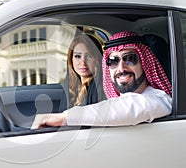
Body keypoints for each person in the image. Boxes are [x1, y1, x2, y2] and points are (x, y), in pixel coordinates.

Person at [31, 31, 172, 129]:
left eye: (130, 59)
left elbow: (129, 107)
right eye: (113, 61)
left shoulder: (159, 99)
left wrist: (64, 118)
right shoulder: (112, 102)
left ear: (145, 63)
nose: (121, 68)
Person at [67, 34, 105, 107]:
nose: (83, 62)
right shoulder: (73, 87)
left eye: (89, 56)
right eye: (78, 56)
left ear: (97, 59)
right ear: (71, 59)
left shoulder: (99, 88)